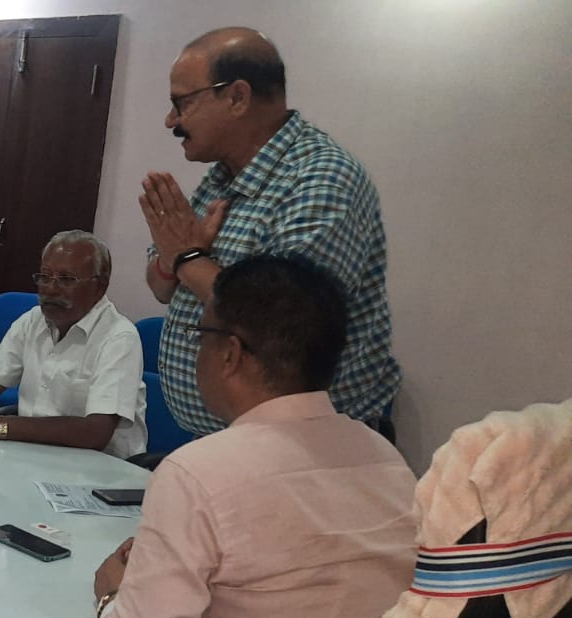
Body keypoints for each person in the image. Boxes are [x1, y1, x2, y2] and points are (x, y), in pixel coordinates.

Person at [90, 255, 417, 618]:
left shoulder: (197, 472)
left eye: (200, 336)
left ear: (230, 354)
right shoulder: (386, 460)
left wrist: (111, 594)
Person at [141, 27, 400, 437]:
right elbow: (161, 287)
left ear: (237, 97)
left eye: (181, 103)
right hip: (230, 440)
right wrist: (174, 262)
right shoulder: (221, 178)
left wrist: (189, 259)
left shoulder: (322, 178)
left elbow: (283, 322)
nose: (171, 120)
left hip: (309, 445)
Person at [0, 230, 146, 458]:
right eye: (45, 277)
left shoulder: (119, 337)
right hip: (32, 454)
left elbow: (95, 432)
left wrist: (0, 426)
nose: (51, 289)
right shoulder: (32, 321)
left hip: (101, 468)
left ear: (100, 286)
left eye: (66, 279)